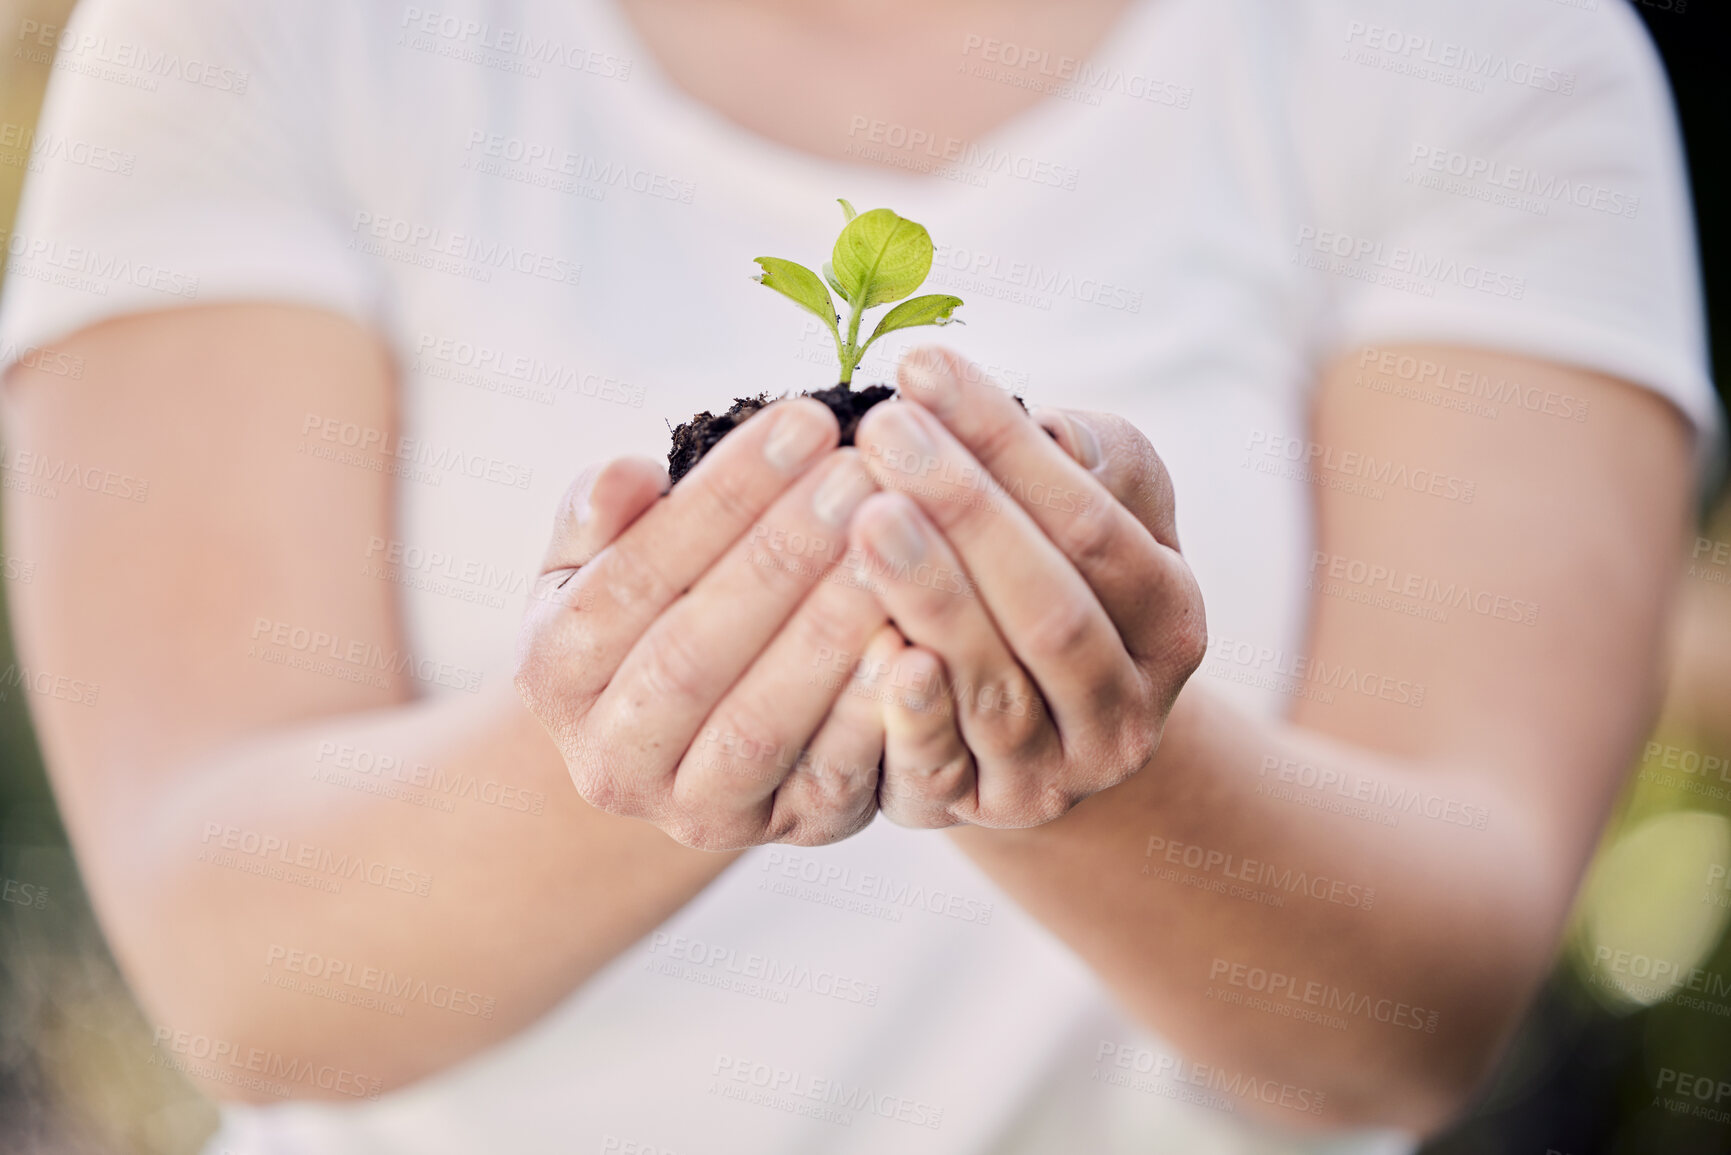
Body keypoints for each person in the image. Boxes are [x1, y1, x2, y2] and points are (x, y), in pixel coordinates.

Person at [0, 0, 1718, 1151]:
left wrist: (1081, 749)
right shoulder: (258, 36)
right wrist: (633, 715)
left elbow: (1416, 1013)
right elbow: (240, 968)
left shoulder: (1479, 51)